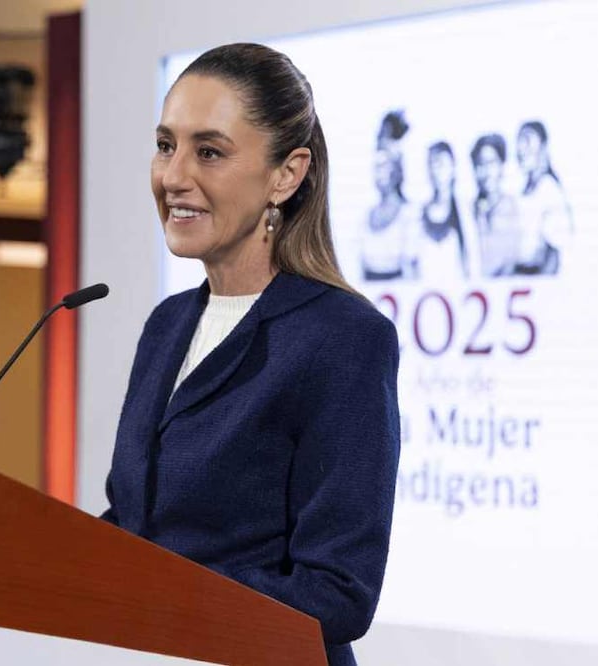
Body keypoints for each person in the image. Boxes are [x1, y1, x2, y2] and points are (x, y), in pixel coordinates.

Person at [100, 43, 400, 666]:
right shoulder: (167, 325)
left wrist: (159, 597)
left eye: (208, 151)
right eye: (165, 145)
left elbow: (338, 592)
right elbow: (134, 523)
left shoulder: (343, 337)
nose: (173, 176)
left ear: (287, 175)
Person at [361, 111, 419, 280]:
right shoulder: (365, 218)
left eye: (386, 164)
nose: (381, 172)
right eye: (378, 164)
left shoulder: (410, 216)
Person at [514, 120, 572, 275]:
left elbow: (554, 252)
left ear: (544, 147)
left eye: (527, 140)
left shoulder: (549, 189)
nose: (521, 149)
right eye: (519, 142)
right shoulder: (526, 191)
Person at [414, 141, 468, 280]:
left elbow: (471, 258)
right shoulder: (419, 213)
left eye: (441, 163)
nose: (437, 170)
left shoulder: (465, 211)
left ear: (453, 167)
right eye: (432, 164)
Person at [470, 134, 520, 277]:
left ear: (502, 166)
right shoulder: (468, 211)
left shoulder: (512, 209)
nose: (486, 172)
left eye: (491, 163)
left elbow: (512, 260)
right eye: (480, 164)